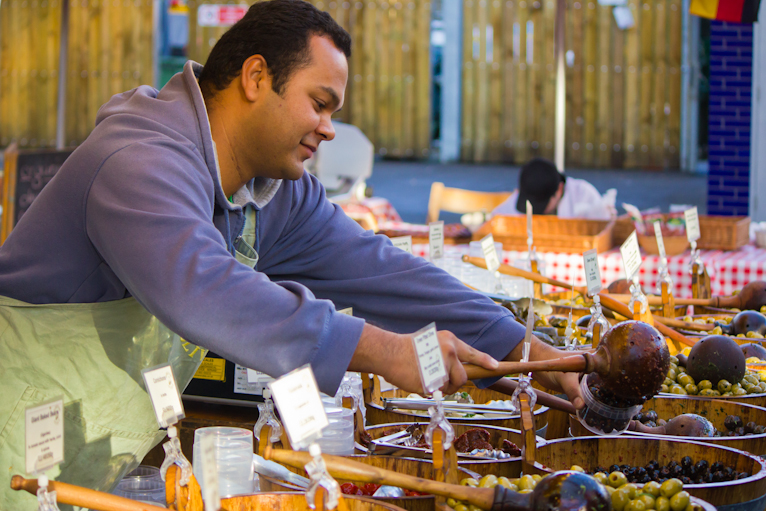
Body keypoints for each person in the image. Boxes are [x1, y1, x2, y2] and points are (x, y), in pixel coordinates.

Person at [0, 1, 581, 506]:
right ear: (256, 77)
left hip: (88, 458)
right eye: (320, 103)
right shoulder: (137, 159)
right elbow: (202, 289)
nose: (329, 129)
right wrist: (380, 350)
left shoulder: (275, 190)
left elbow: (377, 270)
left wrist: (520, 346)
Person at [493, 158, 616, 220]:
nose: (537, 211)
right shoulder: (528, 188)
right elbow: (496, 219)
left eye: (540, 204)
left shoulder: (583, 194)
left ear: (559, 190)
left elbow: (605, 225)